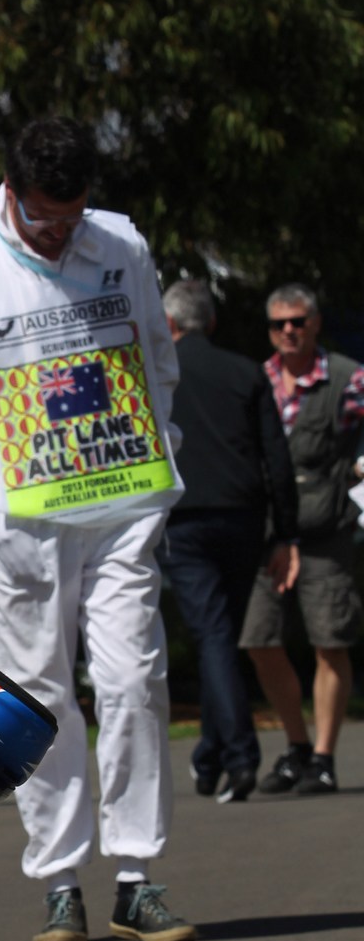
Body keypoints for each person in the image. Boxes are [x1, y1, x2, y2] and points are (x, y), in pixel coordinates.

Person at [0, 115, 197, 941]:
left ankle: (138, 878)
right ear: (12, 192)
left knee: (133, 679)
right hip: (22, 525)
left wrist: (157, 453)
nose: (61, 232)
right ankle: (61, 880)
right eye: (45, 218)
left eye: (73, 217)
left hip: (119, 508)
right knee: (38, 694)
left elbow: (158, 363)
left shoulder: (123, 248)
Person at [160, 280, 300, 803]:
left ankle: (238, 757)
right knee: (222, 633)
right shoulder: (247, 373)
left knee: (214, 636)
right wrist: (285, 532)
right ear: (212, 323)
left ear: (170, 325)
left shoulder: (159, 376)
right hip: (244, 519)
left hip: (184, 521)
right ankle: (213, 755)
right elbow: (277, 461)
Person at [240, 283, 364, 796]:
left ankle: (324, 757)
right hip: (268, 535)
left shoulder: (348, 377)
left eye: (298, 321)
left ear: (315, 323)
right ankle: (294, 746)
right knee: (258, 639)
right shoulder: (258, 379)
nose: (288, 331)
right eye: (278, 324)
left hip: (325, 532)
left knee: (329, 641)